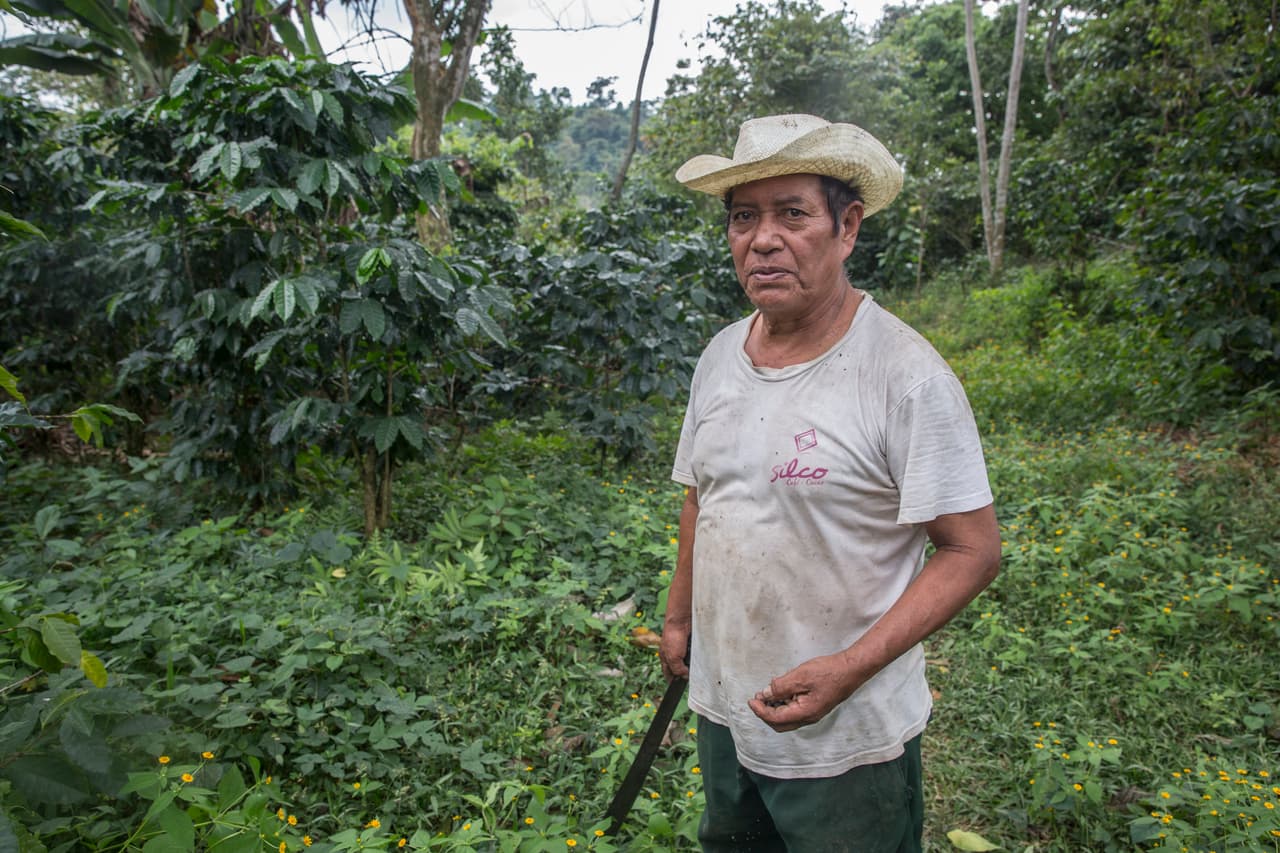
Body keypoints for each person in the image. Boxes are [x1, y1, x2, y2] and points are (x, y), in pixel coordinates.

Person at [658, 114, 1002, 853]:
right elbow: (702, 495)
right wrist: (680, 615)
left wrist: (848, 669)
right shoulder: (720, 356)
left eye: (792, 213)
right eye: (744, 217)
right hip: (724, 707)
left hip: (849, 737)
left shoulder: (905, 377)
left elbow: (972, 549)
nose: (763, 239)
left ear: (847, 227)